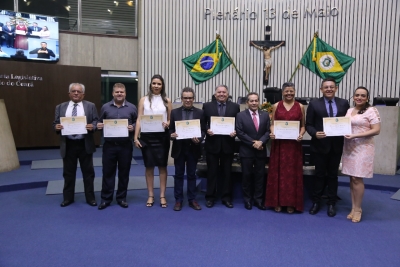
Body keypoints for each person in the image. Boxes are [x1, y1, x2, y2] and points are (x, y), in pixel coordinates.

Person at [306, 77, 350, 217]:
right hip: (319, 146)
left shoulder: (344, 103)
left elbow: (348, 122)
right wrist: (314, 133)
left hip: (336, 146)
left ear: (336, 88)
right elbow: (309, 124)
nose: (329, 89)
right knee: (318, 175)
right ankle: (316, 202)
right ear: (321, 89)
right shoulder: (314, 104)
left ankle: (331, 203)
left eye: (331, 87)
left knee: (332, 176)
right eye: (326, 87)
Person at [53, 83, 98, 207]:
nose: (76, 93)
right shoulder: (60, 107)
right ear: (69, 93)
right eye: (73, 91)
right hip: (68, 144)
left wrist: (93, 126)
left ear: (83, 94)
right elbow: (55, 123)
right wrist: (56, 127)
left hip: (85, 144)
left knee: (88, 173)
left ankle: (90, 198)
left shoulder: (91, 106)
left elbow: (96, 121)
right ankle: (68, 198)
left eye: (79, 91)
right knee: (68, 173)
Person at [341, 87, 381, 223]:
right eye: (357, 95)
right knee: (352, 178)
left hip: (363, 147)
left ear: (367, 98)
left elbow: (376, 130)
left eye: (363, 96)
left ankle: (358, 209)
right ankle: (353, 207)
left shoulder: (372, 110)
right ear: (353, 97)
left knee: (358, 179)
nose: (359, 97)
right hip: (349, 147)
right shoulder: (349, 110)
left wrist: (356, 135)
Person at [266, 82, 305, 213]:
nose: (289, 93)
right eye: (286, 91)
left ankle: (291, 203)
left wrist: (301, 134)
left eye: (291, 91)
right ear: (282, 92)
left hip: (294, 145)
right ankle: (277, 201)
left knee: (292, 174)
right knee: (278, 172)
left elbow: (303, 125)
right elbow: (272, 124)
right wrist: (272, 132)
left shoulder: (300, 106)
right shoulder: (276, 105)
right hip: (279, 145)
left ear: (295, 91)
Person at [97, 83, 138, 210]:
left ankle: (121, 198)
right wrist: (99, 125)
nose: (119, 94)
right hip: (109, 146)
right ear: (113, 94)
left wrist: (134, 127)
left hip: (125, 145)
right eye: (117, 92)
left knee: (124, 173)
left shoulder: (132, 107)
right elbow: (100, 121)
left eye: (122, 92)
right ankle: (106, 199)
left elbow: (138, 122)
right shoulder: (105, 107)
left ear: (125, 93)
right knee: (108, 173)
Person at [134, 74, 172, 208]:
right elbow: (139, 118)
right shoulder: (143, 100)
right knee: (149, 166)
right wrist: (135, 137)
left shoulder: (167, 100)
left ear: (162, 86)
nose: (156, 86)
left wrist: (168, 123)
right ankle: (150, 194)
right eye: (154, 83)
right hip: (146, 137)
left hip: (162, 137)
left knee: (162, 166)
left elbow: (169, 119)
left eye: (159, 84)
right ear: (150, 84)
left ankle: (162, 195)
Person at [203, 85, 240, 208]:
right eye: (219, 92)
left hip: (228, 144)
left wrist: (235, 131)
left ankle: (226, 197)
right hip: (212, 144)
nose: (221, 94)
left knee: (227, 173)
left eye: (224, 92)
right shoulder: (207, 106)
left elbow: (238, 124)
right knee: (211, 172)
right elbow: (203, 124)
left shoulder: (235, 107)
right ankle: (210, 197)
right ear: (215, 94)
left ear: (228, 94)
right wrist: (207, 129)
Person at [169, 87, 206, 211]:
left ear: (193, 99)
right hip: (179, 148)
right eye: (185, 98)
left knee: (191, 175)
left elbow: (203, 130)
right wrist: (172, 135)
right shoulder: (174, 112)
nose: (188, 100)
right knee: (178, 175)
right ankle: (178, 200)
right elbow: (170, 130)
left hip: (193, 148)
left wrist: (199, 139)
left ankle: (192, 199)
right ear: (181, 99)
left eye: (190, 98)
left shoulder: (200, 113)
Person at [235, 92, 270, 210]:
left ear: (259, 101)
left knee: (260, 177)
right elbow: (240, 132)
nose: (254, 103)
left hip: (261, 151)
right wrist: (254, 143)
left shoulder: (265, 115)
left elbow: (268, 132)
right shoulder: (240, 115)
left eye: (256, 100)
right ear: (247, 102)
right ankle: (247, 200)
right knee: (246, 177)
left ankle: (258, 200)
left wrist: (261, 142)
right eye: (251, 101)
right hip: (246, 151)